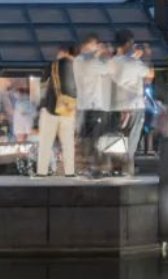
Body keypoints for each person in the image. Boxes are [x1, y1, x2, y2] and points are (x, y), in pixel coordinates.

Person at [109, 36, 153, 176]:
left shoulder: (113, 61)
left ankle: (116, 166)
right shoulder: (135, 62)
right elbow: (150, 76)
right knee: (132, 138)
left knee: (118, 136)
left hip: (117, 105)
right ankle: (127, 167)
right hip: (135, 105)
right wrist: (147, 58)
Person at [73, 38, 113, 176]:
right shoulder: (91, 61)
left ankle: (86, 167)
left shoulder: (78, 60)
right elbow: (110, 68)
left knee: (86, 138)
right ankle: (94, 167)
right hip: (94, 106)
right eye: (95, 44)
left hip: (84, 106)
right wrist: (106, 54)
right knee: (95, 139)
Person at [37, 44, 78, 177]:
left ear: (63, 52)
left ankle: (42, 172)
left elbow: (42, 86)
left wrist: (42, 104)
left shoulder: (52, 66)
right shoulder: (77, 68)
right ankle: (70, 172)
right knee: (68, 144)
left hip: (51, 110)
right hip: (69, 111)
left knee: (45, 143)